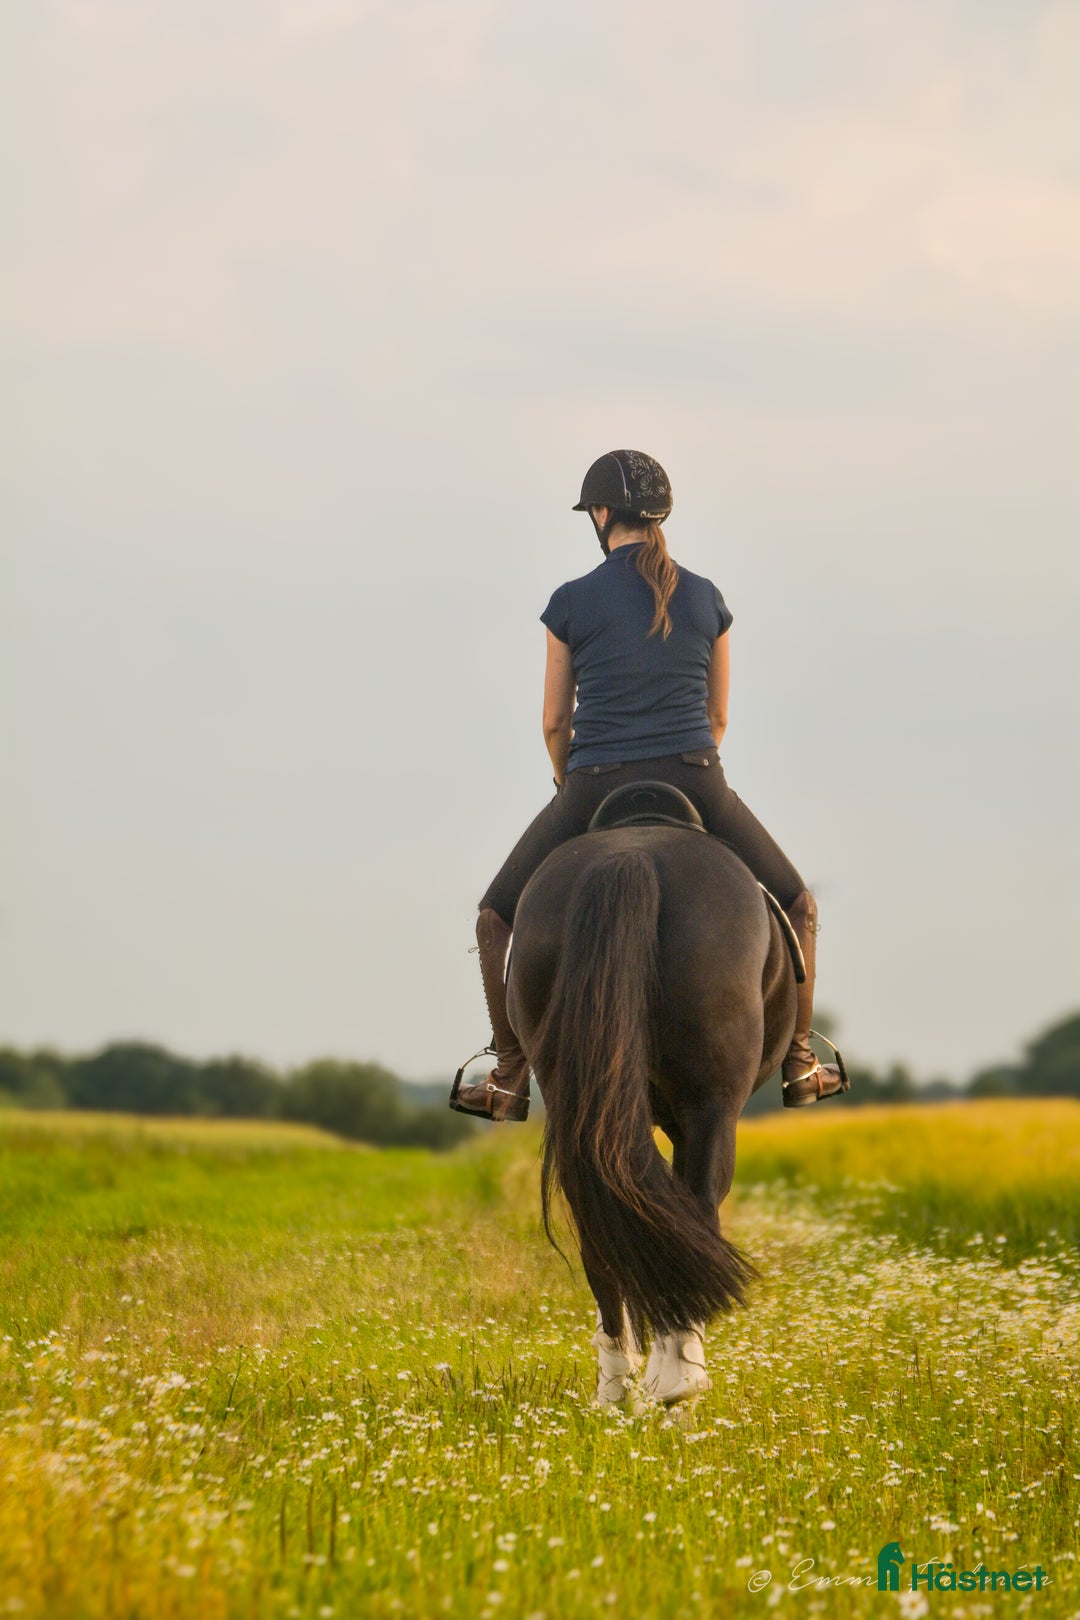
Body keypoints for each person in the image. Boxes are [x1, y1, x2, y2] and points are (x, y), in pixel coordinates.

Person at [451, 449, 845, 1122]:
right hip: (696, 775)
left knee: (493, 918)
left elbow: (553, 721)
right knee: (799, 904)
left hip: (592, 778)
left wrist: (567, 781)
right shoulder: (705, 597)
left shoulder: (570, 602)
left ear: (600, 516)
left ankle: (510, 1075)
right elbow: (718, 716)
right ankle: (803, 1059)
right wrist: (691, 769)